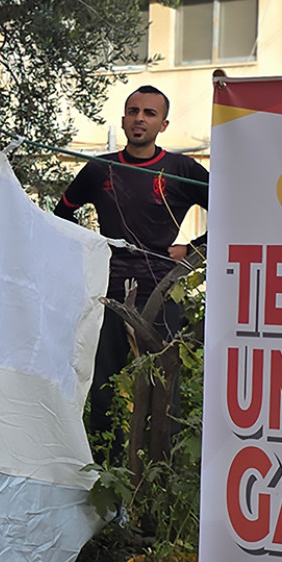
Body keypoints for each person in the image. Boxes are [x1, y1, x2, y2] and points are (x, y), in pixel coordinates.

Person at [52, 85, 208, 458]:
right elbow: (62, 213)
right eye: (133, 111)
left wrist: (192, 249)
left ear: (163, 124)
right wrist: (88, 248)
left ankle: (161, 474)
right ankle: (105, 469)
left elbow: (233, 211)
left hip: (162, 291)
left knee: (164, 388)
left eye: (149, 113)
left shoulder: (182, 169)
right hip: (108, 292)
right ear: (123, 119)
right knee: (103, 386)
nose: (140, 118)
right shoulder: (99, 169)